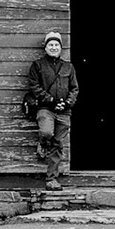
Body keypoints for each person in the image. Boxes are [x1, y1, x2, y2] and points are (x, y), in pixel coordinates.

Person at [24, 28, 79, 189]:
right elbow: (34, 86)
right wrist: (51, 101)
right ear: (46, 48)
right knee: (47, 132)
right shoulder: (38, 65)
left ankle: (51, 180)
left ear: (60, 48)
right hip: (45, 109)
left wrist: (67, 103)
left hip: (64, 111)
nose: (54, 47)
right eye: (51, 45)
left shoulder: (68, 67)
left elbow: (74, 89)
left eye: (56, 45)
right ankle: (42, 142)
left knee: (57, 143)